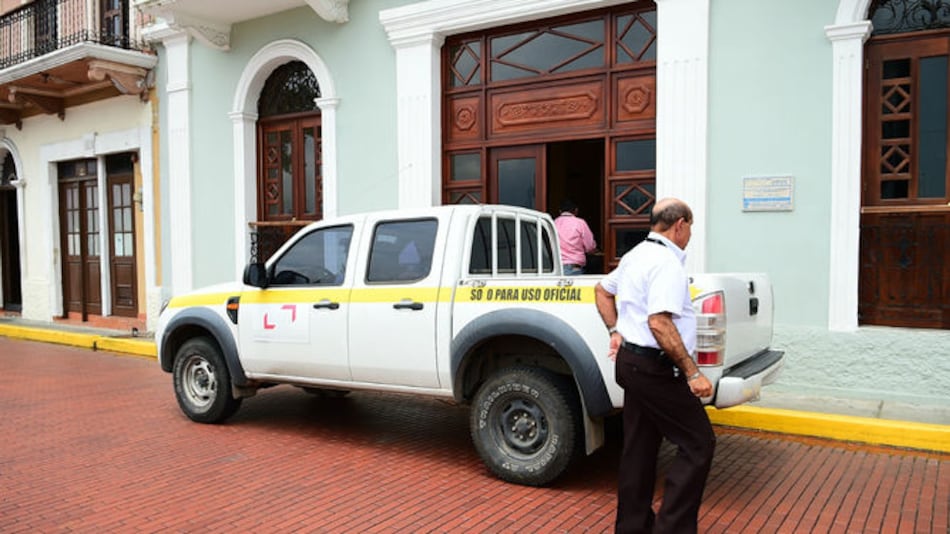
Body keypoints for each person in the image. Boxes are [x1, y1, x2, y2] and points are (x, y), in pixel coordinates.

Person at [594, 197, 715, 534]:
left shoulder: (635, 255)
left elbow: (602, 290)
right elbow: (659, 323)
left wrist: (615, 330)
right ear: (680, 225)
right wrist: (693, 372)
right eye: (690, 227)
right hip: (654, 370)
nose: (690, 234)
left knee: (639, 448)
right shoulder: (666, 263)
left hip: (631, 364)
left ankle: (632, 527)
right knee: (698, 443)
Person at [554, 199, 597, 275]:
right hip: (574, 268)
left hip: (555, 268)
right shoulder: (580, 223)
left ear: (560, 211)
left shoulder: (554, 223)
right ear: (576, 211)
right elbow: (590, 247)